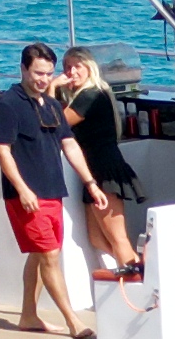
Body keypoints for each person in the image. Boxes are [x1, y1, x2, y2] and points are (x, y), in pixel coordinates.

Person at [0, 45, 106, 337]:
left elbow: (69, 144)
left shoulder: (50, 105)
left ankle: (28, 315)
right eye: (38, 73)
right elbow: (2, 151)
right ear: (24, 69)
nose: (43, 79)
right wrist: (22, 189)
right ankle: (72, 321)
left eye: (48, 74)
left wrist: (90, 182)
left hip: (52, 191)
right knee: (49, 255)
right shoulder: (8, 104)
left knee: (41, 255)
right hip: (27, 195)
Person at [57, 51, 143, 278]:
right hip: (94, 170)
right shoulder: (88, 95)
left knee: (117, 237)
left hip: (104, 168)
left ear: (89, 68)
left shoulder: (91, 95)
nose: (71, 72)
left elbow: (59, 123)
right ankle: (133, 269)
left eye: (77, 66)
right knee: (96, 237)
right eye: (67, 67)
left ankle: (138, 276)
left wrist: (52, 88)